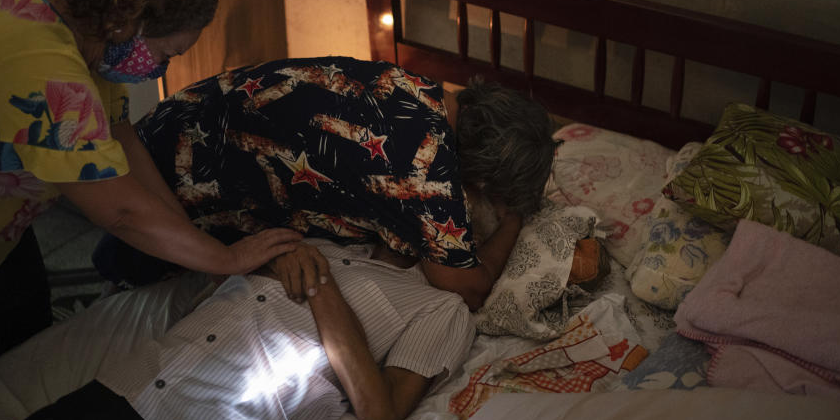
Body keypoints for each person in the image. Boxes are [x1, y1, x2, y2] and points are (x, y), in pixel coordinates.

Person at [0, 0, 299, 374]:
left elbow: (124, 145)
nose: (163, 68)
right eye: (166, 52)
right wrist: (226, 257)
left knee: (23, 346)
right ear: (130, 20)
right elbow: (118, 209)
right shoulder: (39, 65)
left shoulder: (86, 39)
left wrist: (197, 250)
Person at [93, 57, 558, 310]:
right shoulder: (429, 172)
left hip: (163, 124)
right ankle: (112, 281)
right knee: (132, 264)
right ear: (479, 173)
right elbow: (465, 287)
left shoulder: (414, 84)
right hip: (174, 183)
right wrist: (516, 217)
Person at [0, 236, 475, 420]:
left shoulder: (439, 306)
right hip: (121, 391)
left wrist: (319, 284)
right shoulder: (315, 234)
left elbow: (380, 414)